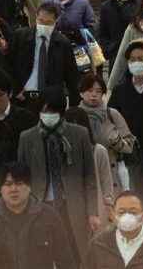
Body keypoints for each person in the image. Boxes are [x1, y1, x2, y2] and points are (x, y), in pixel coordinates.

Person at [15, 89, 98, 258]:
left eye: (52, 111)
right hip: (39, 204)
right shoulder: (27, 137)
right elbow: (21, 176)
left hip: (71, 204)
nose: (48, 115)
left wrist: (92, 211)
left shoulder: (79, 134)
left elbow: (89, 176)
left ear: (60, 111)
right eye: (44, 111)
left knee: (74, 253)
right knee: (41, 254)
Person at [0, 160, 76, 269]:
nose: (13, 189)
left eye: (19, 183)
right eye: (8, 184)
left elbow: (66, 260)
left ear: (29, 186)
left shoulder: (49, 216)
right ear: (1, 189)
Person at [80, 189, 143, 269]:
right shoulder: (99, 245)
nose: (127, 216)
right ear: (113, 217)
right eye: (121, 212)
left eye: (133, 212)